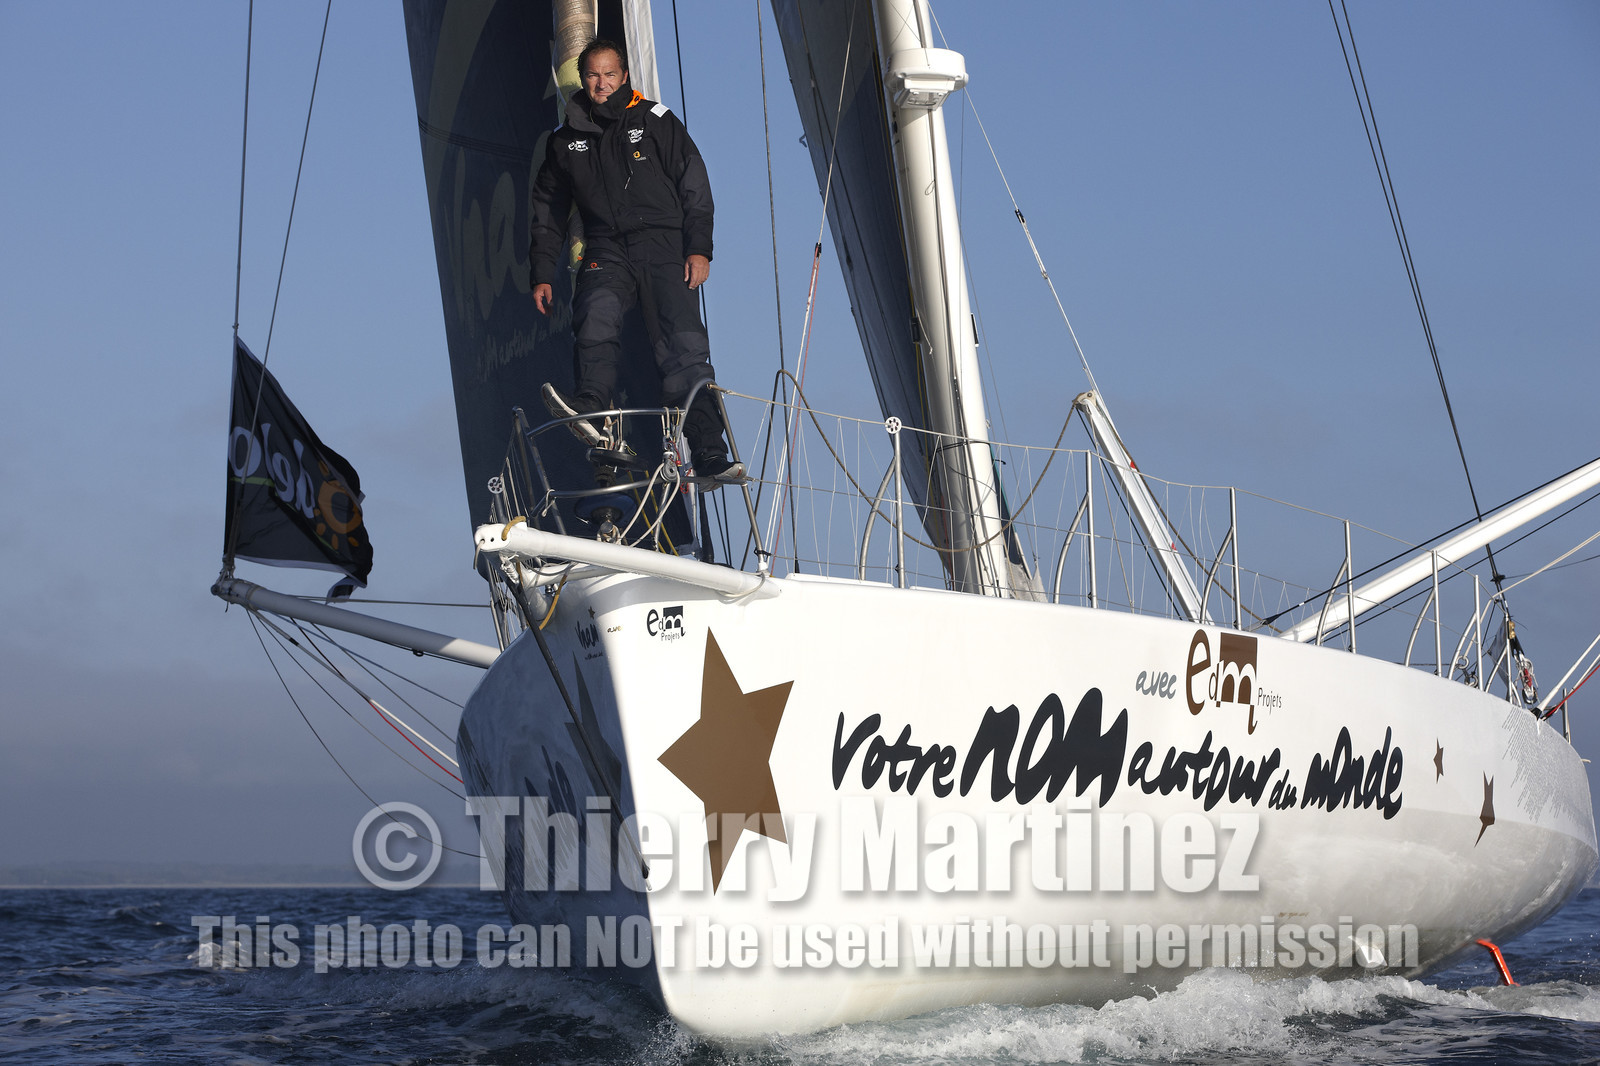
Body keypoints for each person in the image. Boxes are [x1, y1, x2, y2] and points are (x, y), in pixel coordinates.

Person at [528, 38, 743, 484]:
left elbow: (695, 187)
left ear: (624, 77)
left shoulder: (654, 120)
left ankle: (708, 452)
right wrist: (541, 273)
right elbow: (547, 211)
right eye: (592, 75)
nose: (601, 83)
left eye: (609, 74)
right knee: (594, 314)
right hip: (607, 247)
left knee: (683, 346)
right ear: (582, 80)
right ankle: (593, 411)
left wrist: (699, 248)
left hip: (665, 246)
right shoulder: (565, 140)